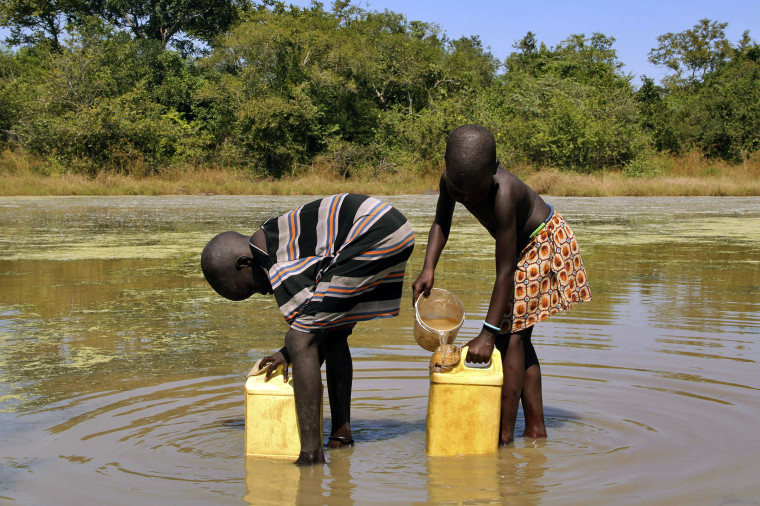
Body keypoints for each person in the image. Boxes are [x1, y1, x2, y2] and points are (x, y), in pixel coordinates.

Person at [201, 193, 414, 465]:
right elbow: (319, 322)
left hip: (372, 231)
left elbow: (304, 335)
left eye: (253, 288)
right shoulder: (273, 237)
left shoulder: (272, 256)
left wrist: (293, 348)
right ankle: (341, 435)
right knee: (332, 335)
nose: (264, 293)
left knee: (299, 339)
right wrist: (287, 353)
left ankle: (311, 455)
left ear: (245, 263)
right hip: (387, 227)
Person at [412, 125, 591, 445]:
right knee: (519, 337)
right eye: (458, 189)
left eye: (473, 192)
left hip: (543, 243)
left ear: (493, 172)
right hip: (521, 248)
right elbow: (442, 221)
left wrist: (486, 334)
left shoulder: (505, 194)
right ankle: (535, 428)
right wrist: (428, 267)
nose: (465, 197)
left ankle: (503, 436)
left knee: (510, 337)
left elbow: (506, 272)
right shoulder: (451, 180)